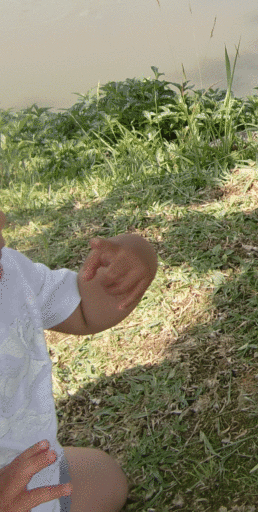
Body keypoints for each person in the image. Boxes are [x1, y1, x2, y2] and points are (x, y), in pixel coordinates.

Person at [0, 208, 157, 512]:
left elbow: (85, 310)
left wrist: (136, 259)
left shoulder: (9, 272)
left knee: (106, 478)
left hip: (28, 473)